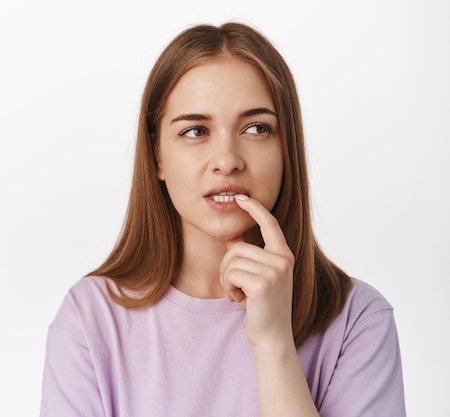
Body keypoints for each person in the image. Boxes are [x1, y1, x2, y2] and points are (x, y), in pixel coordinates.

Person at [40, 22, 406, 417]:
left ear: (287, 148)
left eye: (256, 128)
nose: (228, 160)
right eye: (196, 131)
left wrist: (274, 343)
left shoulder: (357, 319)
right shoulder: (90, 319)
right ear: (157, 156)